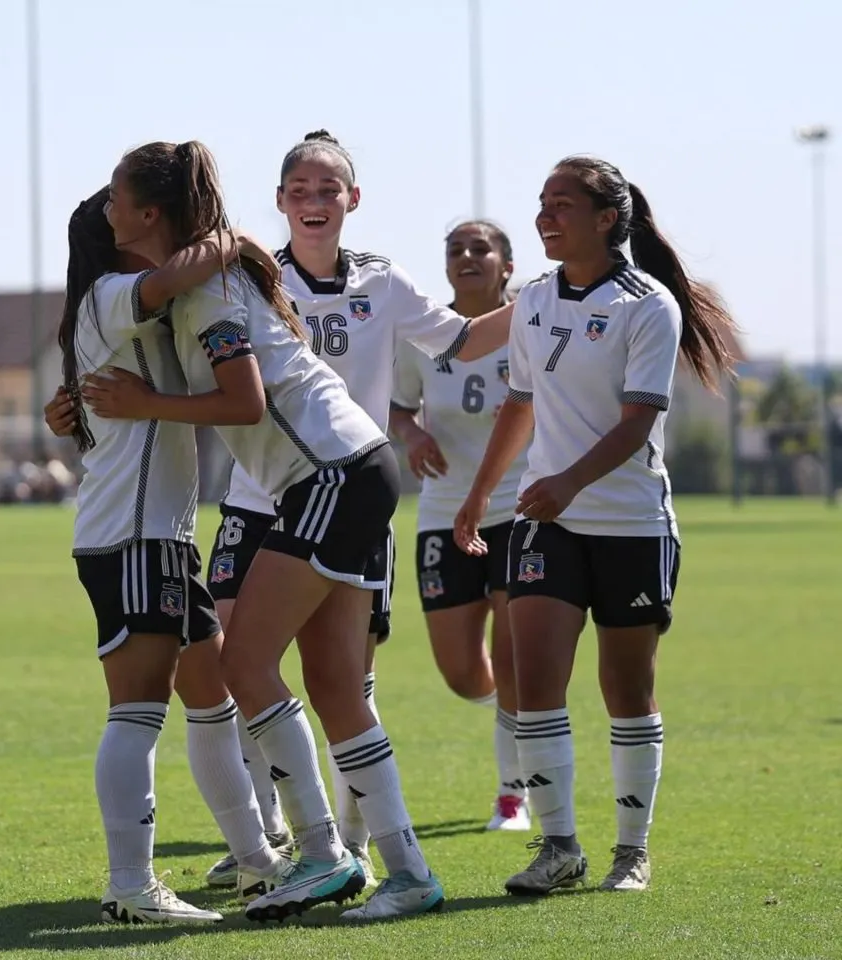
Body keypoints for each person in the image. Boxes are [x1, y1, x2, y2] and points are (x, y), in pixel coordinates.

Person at [71, 138, 511, 922]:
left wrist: (148, 406)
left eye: (114, 196)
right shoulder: (206, 280)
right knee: (339, 687)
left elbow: (242, 403)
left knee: (243, 660)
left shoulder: (209, 291)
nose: (105, 210)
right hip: (355, 468)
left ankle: (318, 852)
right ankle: (406, 872)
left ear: (150, 215)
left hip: (329, 476)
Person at [454, 156, 736, 894]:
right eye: (542, 204)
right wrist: (482, 494)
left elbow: (638, 421)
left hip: (632, 525)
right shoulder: (536, 298)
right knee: (536, 683)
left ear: (607, 218)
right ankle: (558, 849)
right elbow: (519, 404)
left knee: (626, 690)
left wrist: (568, 481)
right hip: (547, 524)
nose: (546, 217)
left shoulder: (649, 304)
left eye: (562, 205)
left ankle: (630, 852)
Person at [55, 185, 295, 925]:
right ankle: (130, 884)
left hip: (159, 536)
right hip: (131, 537)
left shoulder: (127, 304)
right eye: (129, 203)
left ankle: (257, 860)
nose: (139, 209)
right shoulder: (111, 293)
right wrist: (231, 237)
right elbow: (172, 277)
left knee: (212, 700)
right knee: (136, 712)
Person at [390, 219, 531, 832]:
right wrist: (413, 432)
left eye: (481, 249)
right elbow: (395, 406)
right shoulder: (424, 336)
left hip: (520, 510)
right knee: (462, 674)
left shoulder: (532, 323)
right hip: (445, 513)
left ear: (506, 264)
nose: (467, 257)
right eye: (456, 250)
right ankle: (523, 712)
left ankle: (513, 793)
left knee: (516, 651)